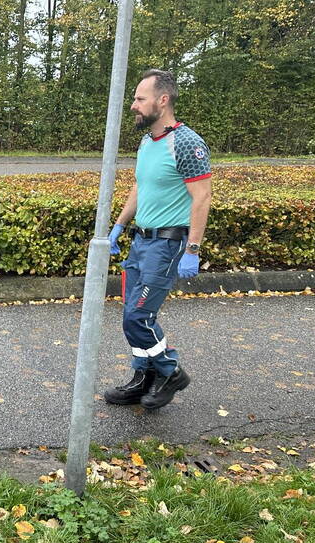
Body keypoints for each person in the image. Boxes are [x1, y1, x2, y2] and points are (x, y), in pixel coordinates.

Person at [104, 69, 212, 410]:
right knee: (131, 315)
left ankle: (171, 371)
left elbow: (202, 197)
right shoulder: (147, 141)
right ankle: (144, 376)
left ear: (162, 101)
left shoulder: (186, 143)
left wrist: (192, 249)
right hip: (141, 243)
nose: (134, 106)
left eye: (140, 99)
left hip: (166, 245)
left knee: (138, 317)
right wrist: (119, 226)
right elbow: (140, 186)